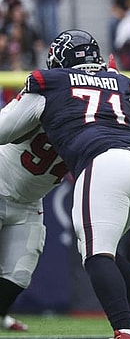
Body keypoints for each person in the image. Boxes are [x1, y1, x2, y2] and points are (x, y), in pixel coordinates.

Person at [0, 29, 130, 339]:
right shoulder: (118, 88)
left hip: (63, 183)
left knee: (33, 268)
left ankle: (127, 329)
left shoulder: (50, 87)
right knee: (99, 246)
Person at [0, 96, 68, 332]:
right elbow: (6, 129)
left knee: (19, 274)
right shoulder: (41, 94)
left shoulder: (96, 111)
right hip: (1, 181)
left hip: (30, 202)